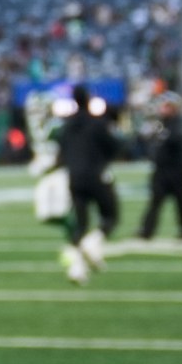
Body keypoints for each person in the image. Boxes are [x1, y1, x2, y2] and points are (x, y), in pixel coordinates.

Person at [53, 93, 120, 282]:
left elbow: (60, 151)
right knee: (110, 216)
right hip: (96, 176)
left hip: (75, 178)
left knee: (80, 224)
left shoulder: (67, 126)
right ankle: (93, 243)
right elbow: (114, 146)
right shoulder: (97, 123)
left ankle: (77, 269)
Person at [136, 93, 182, 241]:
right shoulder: (161, 124)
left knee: (181, 201)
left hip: (177, 169)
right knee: (156, 200)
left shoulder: (177, 124)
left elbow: (175, 140)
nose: (163, 109)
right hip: (162, 169)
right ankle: (146, 231)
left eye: (167, 106)